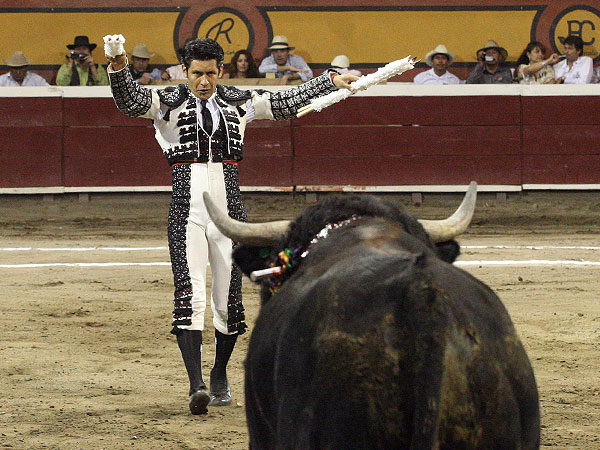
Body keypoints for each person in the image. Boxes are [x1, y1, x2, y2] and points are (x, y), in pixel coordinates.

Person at [105, 37, 358, 415]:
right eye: (196, 74)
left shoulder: (239, 101)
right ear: (185, 72)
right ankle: (196, 385)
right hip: (185, 212)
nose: (204, 81)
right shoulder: (166, 102)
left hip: (230, 212)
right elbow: (130, 101)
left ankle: (219, 373)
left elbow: (285, 102)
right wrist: (118, 63)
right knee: (189, 296)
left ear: (220, 71)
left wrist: (329, 81)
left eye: (210, 73)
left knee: (228, 300)